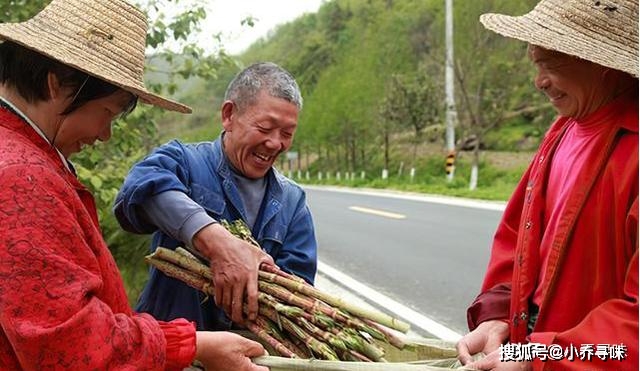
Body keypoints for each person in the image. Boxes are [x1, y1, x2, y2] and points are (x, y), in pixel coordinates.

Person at [0, 0, 269, 370]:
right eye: (108, 112)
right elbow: (71, 348)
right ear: (57, 84)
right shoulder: (21, 179)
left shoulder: (27, 161)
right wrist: (193, 346)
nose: (105, 133)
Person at [456, 0, 638, 370]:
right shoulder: (561, 132)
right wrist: (499, 313)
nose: (539, 82)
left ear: (602, 62)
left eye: (549, 65)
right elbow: (516, 239)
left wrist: (541, 356)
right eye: (535, 64)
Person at [114, 62, 318, 331]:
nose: (275, 143)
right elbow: (138, 190)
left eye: (287, 134)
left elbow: (298, 298)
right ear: (229, 115)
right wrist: (216, 241)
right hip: (170, 350)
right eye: (266, 128)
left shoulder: (292, 202)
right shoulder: (185, 162)